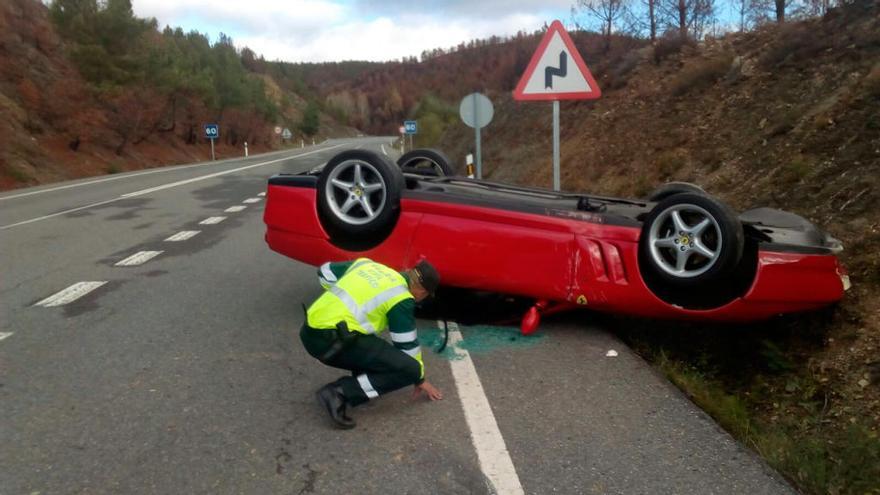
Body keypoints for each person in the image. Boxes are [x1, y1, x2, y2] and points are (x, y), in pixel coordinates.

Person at [300, 257, 443, 429]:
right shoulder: (401, 297)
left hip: (310, 330)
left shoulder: (367, 265)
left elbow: (324, 272)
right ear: (422, 292)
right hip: (331, 343)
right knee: (409, 368)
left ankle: (361, 377)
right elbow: (407, 346)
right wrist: (419, 378)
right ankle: (339, 392)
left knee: (372, 343)